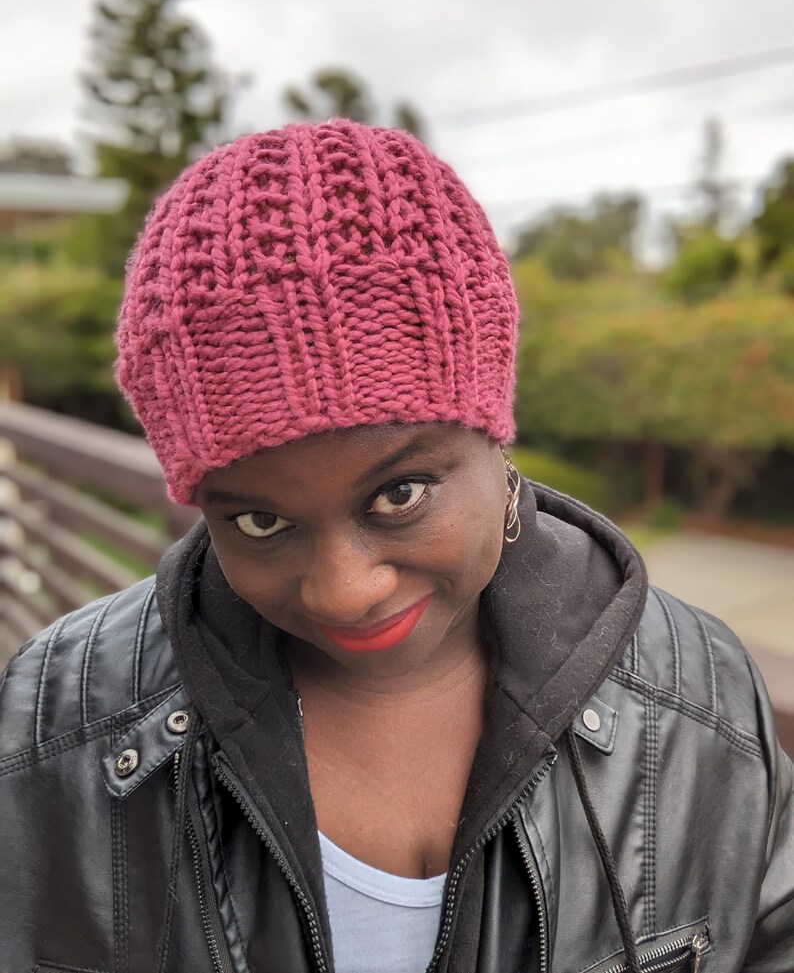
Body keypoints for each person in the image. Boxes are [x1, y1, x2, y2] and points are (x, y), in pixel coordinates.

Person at [0, 120, 791, 973]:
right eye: (260, 522)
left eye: (399, 494)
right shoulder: (54, 729)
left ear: (494, 434)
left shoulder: (702, 705)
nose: (345, 590)